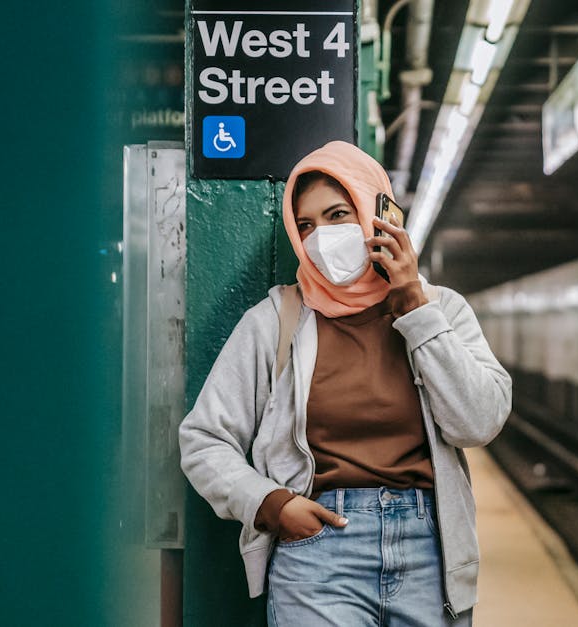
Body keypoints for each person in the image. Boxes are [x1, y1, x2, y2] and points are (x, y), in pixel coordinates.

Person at [179, 140, 511, 626]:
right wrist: (272, 505)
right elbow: (203, 439)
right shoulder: (276, 320)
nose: (322, 237)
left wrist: (416, 308)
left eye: (338, 214)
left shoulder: (443, 309)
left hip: (429, 553)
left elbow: (479, 422)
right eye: (307, 225)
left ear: (378, 214)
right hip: (317, 553)